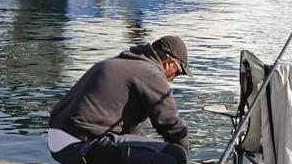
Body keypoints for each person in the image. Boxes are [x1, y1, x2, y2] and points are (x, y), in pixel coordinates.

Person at [48, 36, 192, 164]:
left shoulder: (121, 63)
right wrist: (183, 156)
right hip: (80, 145)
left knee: (146, 146)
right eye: (178, 73)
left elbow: (130, 131)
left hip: (59, 140)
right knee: (173, 154)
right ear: (170, 63)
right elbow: (172, 126)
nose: (172, 79)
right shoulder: (151, 73)